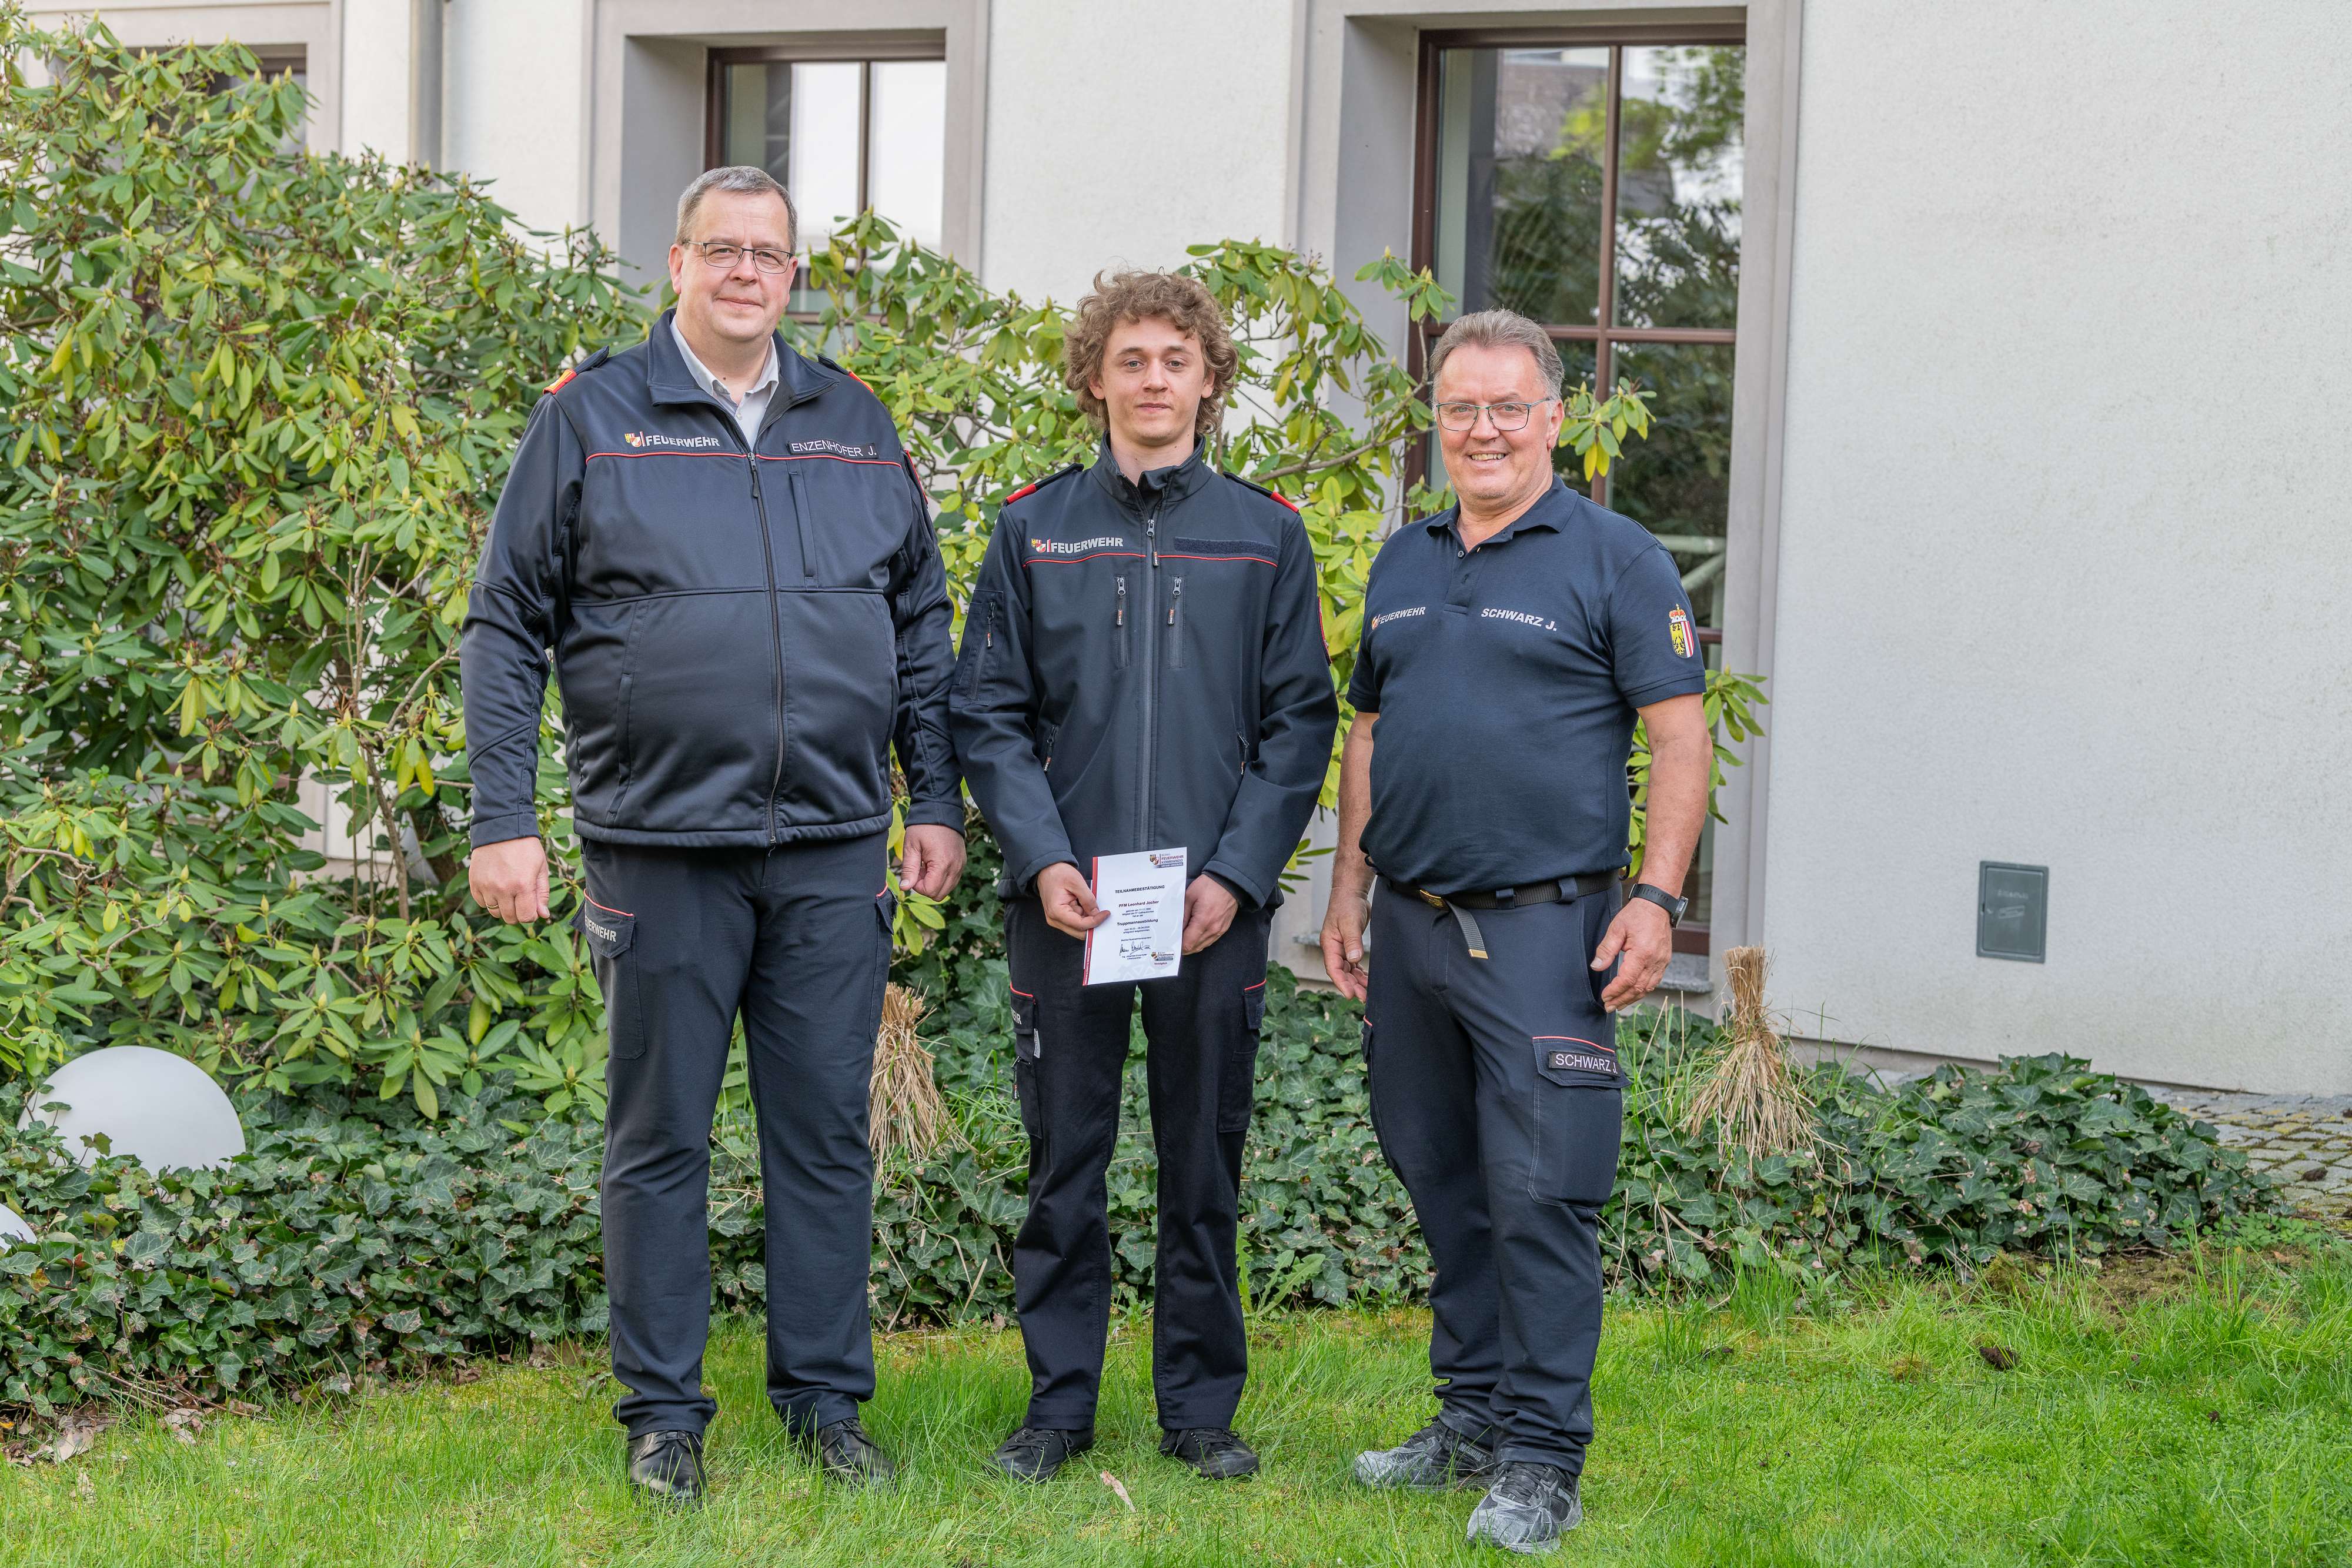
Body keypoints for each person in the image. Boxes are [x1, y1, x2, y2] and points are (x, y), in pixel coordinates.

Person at [460, 165, 966, 1507]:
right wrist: (502, 817)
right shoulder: (590, 417)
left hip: (831, 845)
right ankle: (662, 1416)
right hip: (660, 844)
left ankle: (825, 1405)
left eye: (771, 254)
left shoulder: (854, 422)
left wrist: (935, 798)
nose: (748, 272)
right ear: (676, 263)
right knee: (659, 1139)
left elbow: (919, 621)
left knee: (824, 1138)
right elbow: (506, 621)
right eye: (723, 249)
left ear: (794, 277)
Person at [1318, 309, 1712, 1554]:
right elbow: (1369, 733)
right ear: (1435, 420)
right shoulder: (1404, 559)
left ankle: (1544, 1458)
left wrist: (1655, 899)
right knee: (1441, 1179)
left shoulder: (1617, 559)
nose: (1480, 429)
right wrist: (1346, 888)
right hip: (1414, 929)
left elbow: (1678, 738)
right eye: (1458, 408)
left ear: (1554, 417)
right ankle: (1472, 1418)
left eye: (1505, 406)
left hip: (1550, 935)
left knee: (1543, 1198)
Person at [950, 270, 1338, 1483]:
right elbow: (986, 713)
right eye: (1131, 359)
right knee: (1064, 1164)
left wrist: (1238, 874)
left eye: (1176, 358)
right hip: (1066, 906)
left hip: (1210, 910)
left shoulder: (1266, 535)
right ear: (1094, 378)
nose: (1154, 379)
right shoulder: (1033, 529)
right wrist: (1040, 857)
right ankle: (1057, 1409)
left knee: (1201, 1164)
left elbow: (1299, 725)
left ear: (1209, 377)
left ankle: (1200, 1411)